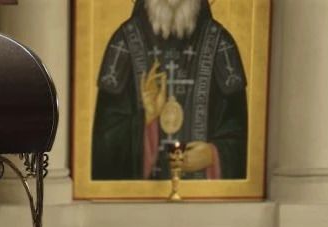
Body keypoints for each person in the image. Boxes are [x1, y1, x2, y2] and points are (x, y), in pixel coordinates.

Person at [91, 0, 248, 181]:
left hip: (203, 194)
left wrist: (212, 155)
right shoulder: (123, 43)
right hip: (140, 197)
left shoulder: (221, 45)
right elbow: (104, 146)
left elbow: (239, 138)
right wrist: (147, 118)